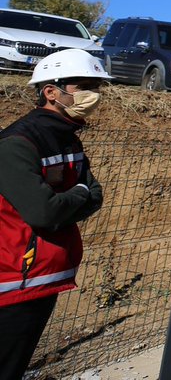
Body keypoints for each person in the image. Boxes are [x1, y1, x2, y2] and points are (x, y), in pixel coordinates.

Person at [0, 49, 107, 378]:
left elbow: (96, 195)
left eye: (96, 86)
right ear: (51, 91)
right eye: (83, 85)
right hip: (13, 282)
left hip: (42, 278)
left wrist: (71, 199)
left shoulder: (68, 138)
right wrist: (77, 194)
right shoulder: (17, 143)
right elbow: (44, 212)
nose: (94, 94)